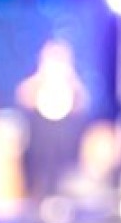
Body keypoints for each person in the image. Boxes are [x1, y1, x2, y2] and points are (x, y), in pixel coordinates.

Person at [16, 40, 90, 201]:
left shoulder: (71, 82)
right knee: (38, 164)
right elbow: (23, 96)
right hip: (40, 135)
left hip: (61, 136)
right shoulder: (37, 81)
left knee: (58, 168)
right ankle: (37, 196)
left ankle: (56, 195)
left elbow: (81, 103)